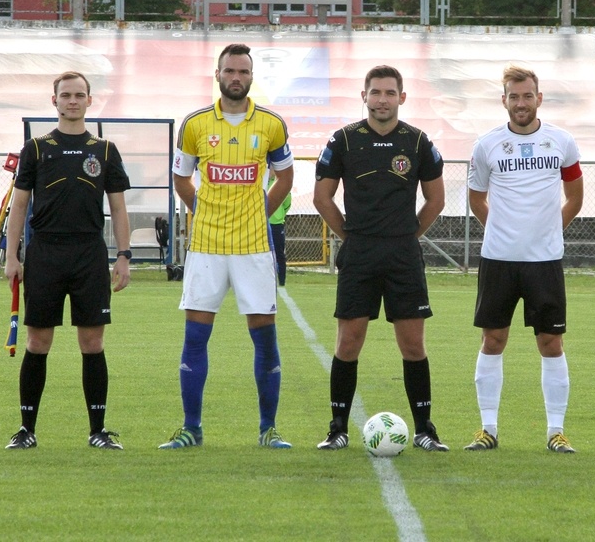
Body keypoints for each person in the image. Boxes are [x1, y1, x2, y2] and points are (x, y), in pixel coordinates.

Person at [159, 43, 294, 450]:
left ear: (252, 77)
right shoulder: (196, 124)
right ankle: (191, 429)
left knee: (264, 338)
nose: (236, 77)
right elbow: (182, 179)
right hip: (206, 247)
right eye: (230, 71)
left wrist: (257, 211)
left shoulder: (271, 123)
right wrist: (204, 209)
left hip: (254, 247)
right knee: (196, 337)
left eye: (243, 71)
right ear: (217, 75)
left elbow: (285, 178)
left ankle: (268, 429)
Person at [313, 65, 448, 451]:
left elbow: (435, 199)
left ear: (402, 97)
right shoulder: (343, 141)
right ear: (364, 96)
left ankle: (425, 429)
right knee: (349, 341)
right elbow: (322, 198)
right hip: (360, 254)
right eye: (376, 92)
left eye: (390, 93)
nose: (382, 100)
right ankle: (337, 429)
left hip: (403, 255)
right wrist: (351, 236)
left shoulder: (419, 142)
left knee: (412, 344)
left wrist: (408, 236)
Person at [4, 71, 131, 450]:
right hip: (45, 252)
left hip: (89, 253)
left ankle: (98, 430)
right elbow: (20, 205)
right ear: (54, 101)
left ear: (90, 101)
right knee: (38, 340)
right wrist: (12, 255)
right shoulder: (37, 149)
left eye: (79, 95)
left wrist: (123, 256)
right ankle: (26, 429)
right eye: (66, 95)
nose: (72, 101)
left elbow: (119, 208)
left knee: (92, 342)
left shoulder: (105, 150)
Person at [465, 65, 584, 453]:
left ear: (539, 98)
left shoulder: (562, 142)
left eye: (527, 95)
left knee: (551, 342)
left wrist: (550, 230)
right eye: (513, 96)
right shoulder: (486, 145)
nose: (521, 103)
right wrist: (501, 230)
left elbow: (576, 197)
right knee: (493, 339)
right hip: (498, 260)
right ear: (504, 100)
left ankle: (556, 431)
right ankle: (487, 429)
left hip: (544, 262)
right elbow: (477, 199)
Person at [268, 170, 291, 286]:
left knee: (279, 254)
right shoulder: (262, 183)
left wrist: (279, 215)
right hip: (262, 224)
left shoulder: (279, 184)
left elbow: (287, 204)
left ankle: (282, 280)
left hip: (277, 224)